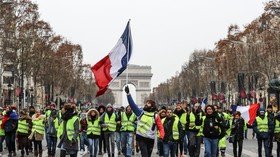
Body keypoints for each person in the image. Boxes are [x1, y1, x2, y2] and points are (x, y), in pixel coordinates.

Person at [125, 86, 165, 157]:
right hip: (141, 137)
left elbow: (160, 127)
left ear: (152, 106)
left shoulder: (156, 116)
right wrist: (128, 94)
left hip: (150, 139)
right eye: (146, 103)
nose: (146, 104)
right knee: (145, 155)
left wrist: (161, 136)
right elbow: (133, 105)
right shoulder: (140, 112)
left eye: (148, 103)